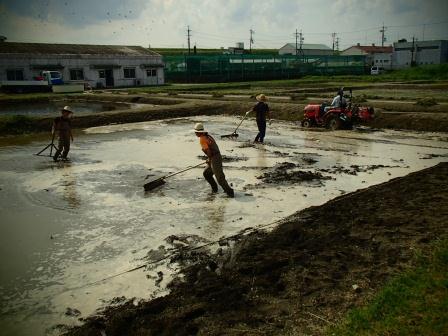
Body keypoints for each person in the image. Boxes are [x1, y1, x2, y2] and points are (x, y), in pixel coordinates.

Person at [194, 123, 234, 198]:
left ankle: (230, 192)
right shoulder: (208, 136)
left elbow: (209, 152)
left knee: (219, 177)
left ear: (200, 132)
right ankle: (215, 189)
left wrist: (209, 159)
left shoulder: (202, 139)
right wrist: (209, 159)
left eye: (196, 132)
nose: (195, 133)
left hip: (215, 158)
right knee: (207, 173)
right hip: (216, 156)